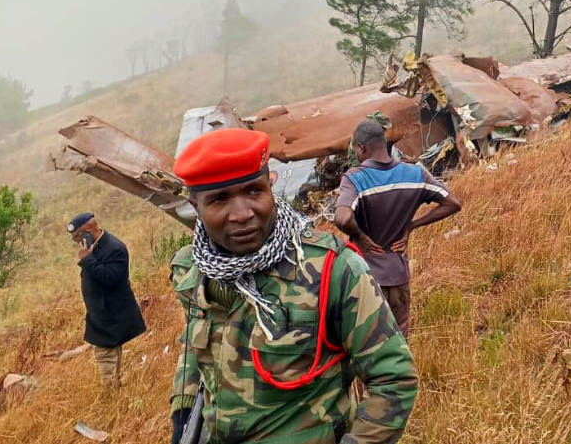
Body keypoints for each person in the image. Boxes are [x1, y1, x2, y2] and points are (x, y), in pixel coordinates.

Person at [168, 128, 418, 444]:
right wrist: (183, 414)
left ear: (271, 185)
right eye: (219, 200)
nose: (243, 214)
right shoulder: (192, 269)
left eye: (254, 191)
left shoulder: (331, 268)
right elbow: (194, 348)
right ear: (195, 205)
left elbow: (394, 378)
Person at [335, 120, 462, 337]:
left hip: (365, 278)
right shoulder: (414, 174)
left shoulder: (356, 178)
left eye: (355, 149)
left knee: (367, 344)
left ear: (361, 147)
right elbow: (453, 203)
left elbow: (343, 218)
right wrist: (411, 226)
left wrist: (360, 236)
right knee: (400, 342)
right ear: (384, 143)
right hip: (398, 275)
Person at [68, 213, 146, 387]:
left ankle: (109, 397)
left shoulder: (114, 248)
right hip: (102, 314)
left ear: (87, 231)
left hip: (111, 316)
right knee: (111, 357)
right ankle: (115, 389)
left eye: (77, 237)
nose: (76, 242)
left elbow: (111, 278)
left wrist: (87, 260)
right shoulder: (94, 247)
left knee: (105, 358)